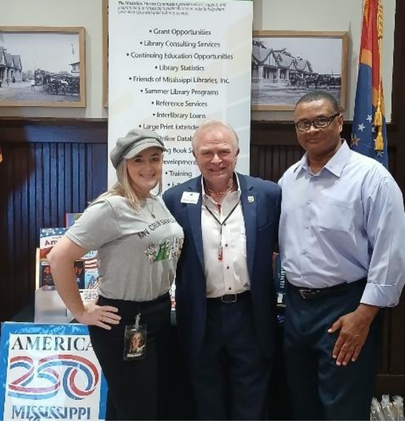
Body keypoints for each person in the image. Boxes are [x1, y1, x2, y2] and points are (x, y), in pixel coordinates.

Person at [278, 90, 405, 420]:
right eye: (303, 124)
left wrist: (363, 316)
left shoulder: (371, 178)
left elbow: (390, 256)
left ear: (339, 123)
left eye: (321, 120)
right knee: (302, 404)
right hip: (296, 309)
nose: (311, 129)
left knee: (342, 409)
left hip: (346, 308)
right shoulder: (288, 180)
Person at [48, 129, 184, 421]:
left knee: (134, 406)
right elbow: (58, 257)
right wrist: (80, 311)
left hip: (158, 313)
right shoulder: (111, 207)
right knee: (139, 410)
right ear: (124, 166)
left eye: (155, 158)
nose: (149, 167)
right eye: (138, 160)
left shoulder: (155, 201)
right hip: (124, 320)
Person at [163, 120, 281, 420]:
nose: (216, 160)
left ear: (237, 153)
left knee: (252, 400)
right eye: (207, 153)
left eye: (223, 151)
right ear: (194, 157)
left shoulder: (268, 194)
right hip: (201, 316)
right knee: (206, 400)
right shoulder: (174, 200)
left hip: (250, 313)